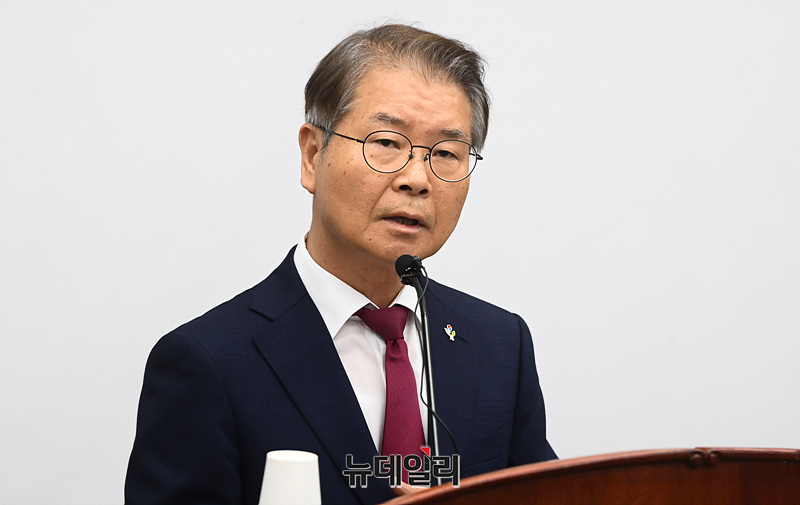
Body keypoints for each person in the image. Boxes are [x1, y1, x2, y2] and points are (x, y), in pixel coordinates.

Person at [125, 23, 556, 505]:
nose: (417, 179)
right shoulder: (208, 363)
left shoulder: (500, 344)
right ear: (313, 155)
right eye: (387, 143)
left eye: (446, 153)